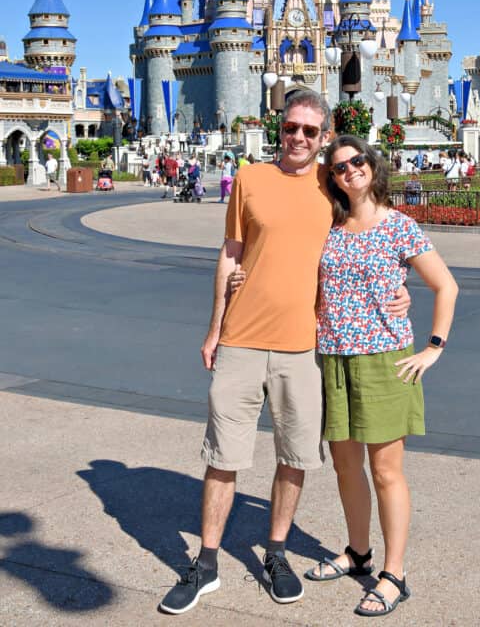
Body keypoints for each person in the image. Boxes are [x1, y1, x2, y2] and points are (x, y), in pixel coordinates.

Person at [158, 90, 409, 615]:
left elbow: (371, 233)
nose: (298, 138)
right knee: (222, 457)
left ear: (324, 136)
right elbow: (231, 254)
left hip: (304, 347)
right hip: (242, 339)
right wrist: (213, 329)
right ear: (280, 126)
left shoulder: (332, 183)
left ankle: (275, 552)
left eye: (310, 132)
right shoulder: (250, 178)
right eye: (291, 127)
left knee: (293, 457)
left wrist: (400, 286)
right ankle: (205, 563)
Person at [304, 136, 458, 616]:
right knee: (346, 467)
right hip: (333, 358)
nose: (349, 170)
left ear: (372, 166)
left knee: (386, 471)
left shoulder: (399, 227)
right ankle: (357, 553)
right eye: (338, 167)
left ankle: (394, 573)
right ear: (331, 178)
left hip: (383, 360)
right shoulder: (327, 226)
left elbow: (445, 285)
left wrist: (433, 348)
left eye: (356, 161)